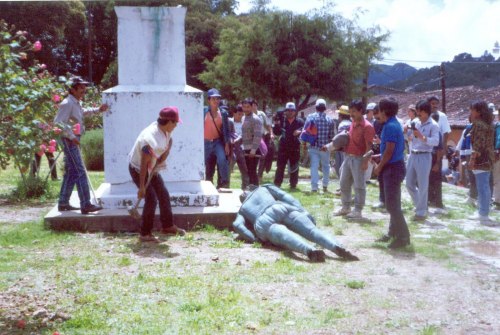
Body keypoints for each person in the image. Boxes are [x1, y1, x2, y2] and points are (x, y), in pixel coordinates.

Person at [233, 184, 359, 262]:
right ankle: (334, 246)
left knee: (283, 234)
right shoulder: (264, 188)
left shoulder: (242, 209)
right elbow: (286, 196)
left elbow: (238, 225)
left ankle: (308, 250)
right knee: (312, 231)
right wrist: (302, 211)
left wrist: (253, 239)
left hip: (262, 220)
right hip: (279, 207)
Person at [128, 107, 186, 243]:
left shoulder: (165, 130)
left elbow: (168, 142)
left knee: (163, 194)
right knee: (151, 198)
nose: (176, 126)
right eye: (175, 123)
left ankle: (167, 226)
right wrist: (142, 187)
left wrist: (166, 152)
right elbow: (143, 163)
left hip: (152, 166)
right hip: (138, 169)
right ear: (169, 122)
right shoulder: (149, 139)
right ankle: (145, 233)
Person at [54, 76, 107, 214]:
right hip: (69, 139)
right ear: (72, 89)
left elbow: (81, 112)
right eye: (81, 87)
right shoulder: (67, 103)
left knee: (72, 172)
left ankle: (63, 202)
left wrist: (98, 110)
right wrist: (72, 137)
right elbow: (58, 123)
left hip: (73, 138)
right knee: (80, 170)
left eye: (84, 87)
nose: (84, 90)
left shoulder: (75, 102)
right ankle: (86, 204)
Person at [373, 98, 410, 249]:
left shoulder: (389, 127)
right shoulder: (393, 124)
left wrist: (379, 166)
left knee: (392, 205)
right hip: (395, 166)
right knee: (392, 203)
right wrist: (379, 157)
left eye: (379, 110)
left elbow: (389, 151)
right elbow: (390, 150)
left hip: (392, 168)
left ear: (384, 111)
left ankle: (403, 237)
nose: (378, 113)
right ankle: (392, 232)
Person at [334, 99, 375, 219]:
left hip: (359, 159)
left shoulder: (367, 127)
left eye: (354, 111)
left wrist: (365, 161)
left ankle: (358, 210)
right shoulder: (353, 123)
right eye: (350, 111)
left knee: (359, 185)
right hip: (348, 157)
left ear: (361, 111)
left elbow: (369, 146)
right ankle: (346, 207)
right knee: (343, 183)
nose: (351, 114)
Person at [405, 99, 440, 221]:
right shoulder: (415, 122)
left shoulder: (434, 125)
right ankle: (420, 205)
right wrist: (407, 133)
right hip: (413, 154)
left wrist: (422, 137)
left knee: (423, 184)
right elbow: (409, 136)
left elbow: (436, 141)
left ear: (426, 112)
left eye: (420, 112)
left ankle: (421, 212)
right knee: (408, 183)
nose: (418, 114)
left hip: (425, 155)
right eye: (417, 112)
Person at [467, 101, 495, 225]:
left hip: (481, 158)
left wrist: (472, 159)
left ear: (478, 112)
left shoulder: (478, 124)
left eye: (472, 110)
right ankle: (482, 211)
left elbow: (478, 144)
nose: (470, 112)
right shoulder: (488, 124)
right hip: (488, 158)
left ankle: (483, 214)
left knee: (482, 186)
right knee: (483, 186)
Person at [305, 98, 335, 192]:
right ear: (325, 108)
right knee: (326, 166)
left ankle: (314, 187)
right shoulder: (330, 120)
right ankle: (325, 185)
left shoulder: (310, 117)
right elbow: (331, 136)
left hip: (313, 146)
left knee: (314, 166)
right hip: (325, 148)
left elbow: (305, 131)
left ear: (316, 107)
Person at [427, 96, 451, 212]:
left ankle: (438, 201)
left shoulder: (442, 116)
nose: (434, 105)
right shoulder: (424, 115)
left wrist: (444, 148)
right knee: (427, 176)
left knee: (437, 176)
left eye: (436, 103)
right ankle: (429, 198)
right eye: (432, 103)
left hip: (438, 150)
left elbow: (446, 133)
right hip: (426, 150)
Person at [204, 88, 230, 189]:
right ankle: (206, 182)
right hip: (205, 142)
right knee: (205, 164)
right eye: (213, 99)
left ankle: (224, 182)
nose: (216, 101)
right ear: (209, 100)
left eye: (218, 99)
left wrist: (227, 144)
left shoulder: (223, 113)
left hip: (217, 142)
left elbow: (226, 130)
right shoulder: (203, 112)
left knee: (222, 160)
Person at [273, 102, 304, 189]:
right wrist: (276, 124)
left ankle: (293, 184)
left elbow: (305, 131)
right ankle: (277, 184)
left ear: (295, 112)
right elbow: (276, 132)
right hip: (283, 147)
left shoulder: (300, 121)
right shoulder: (282, 121)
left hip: (295, 147)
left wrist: (299, 132)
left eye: (292, 111)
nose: (290, 112)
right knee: (280, 166)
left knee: (294, 166)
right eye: (288, 110)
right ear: (285, 111)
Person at [241, 98, 263, 186]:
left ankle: (256, 190)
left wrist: (253, 150)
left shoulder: (256, 119)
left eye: (248, 107)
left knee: (252, 171)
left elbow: (258, 136)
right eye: (244, 107)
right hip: (246, 149)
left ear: (252, 107)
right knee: (249, 172)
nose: (246, 109)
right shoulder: (243, 117)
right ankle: (251, 190)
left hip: (253, 150)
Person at [253, 100, 275, 181]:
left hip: (261, 137)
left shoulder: (261, 114)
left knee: (263, 155)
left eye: (255, 105)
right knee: (252, 156)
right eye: (252, 105)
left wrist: (271, 133)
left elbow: (268, 125)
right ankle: (252, 175)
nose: (253, 107)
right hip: (251, 138)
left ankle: (259, 176)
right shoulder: (247, 115)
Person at [229, 104, 249, 190]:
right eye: (239, 114)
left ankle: (245, 189)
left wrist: (239, 139)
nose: (240, 116)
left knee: (244, 171)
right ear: (234, 113)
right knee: (228, 170)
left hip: (242, 149)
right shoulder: (229, 121)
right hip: (231, 149)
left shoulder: (245, 122)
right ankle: (226, 187)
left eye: (242, 114)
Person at [333, 105, 352, 180]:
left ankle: (342, 186)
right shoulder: (351, 123)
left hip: (342, 149)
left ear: (341, 115)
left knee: (340, 167)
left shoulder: (342, 124)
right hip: (350, 149)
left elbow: (341, 138)